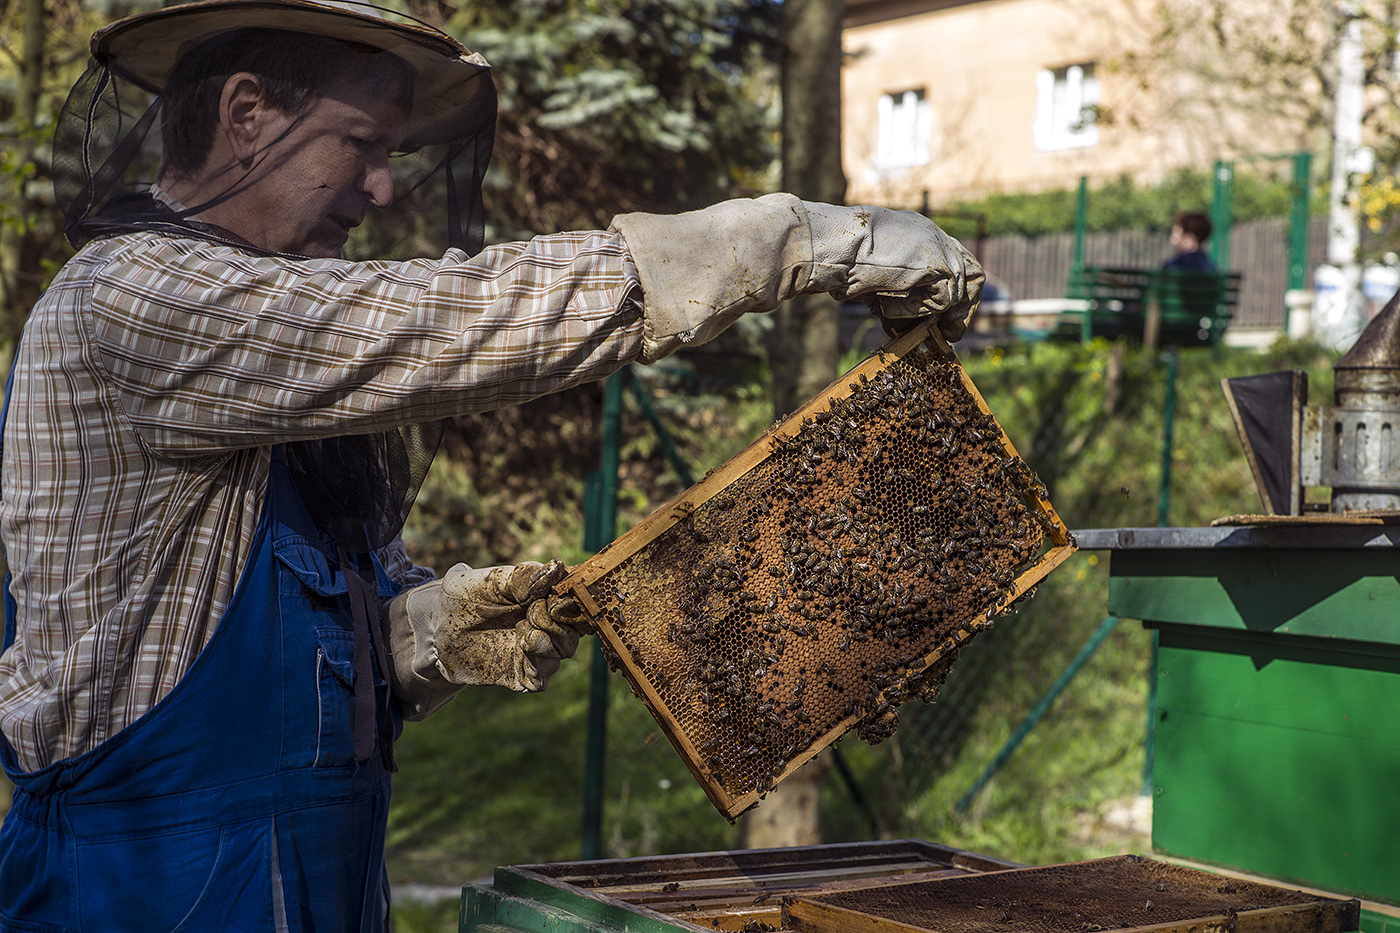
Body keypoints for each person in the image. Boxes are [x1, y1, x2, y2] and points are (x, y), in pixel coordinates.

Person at [0, 1, 984, 928]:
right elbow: (446, 322)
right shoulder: (137, 298)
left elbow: (249, 643)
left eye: (390, 156)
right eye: (361, 144)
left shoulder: (259, 348)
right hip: (141, 887)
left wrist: (422, 632)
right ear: (247, 113)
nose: (381, 188)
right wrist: (787, 241)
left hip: (306, 876)